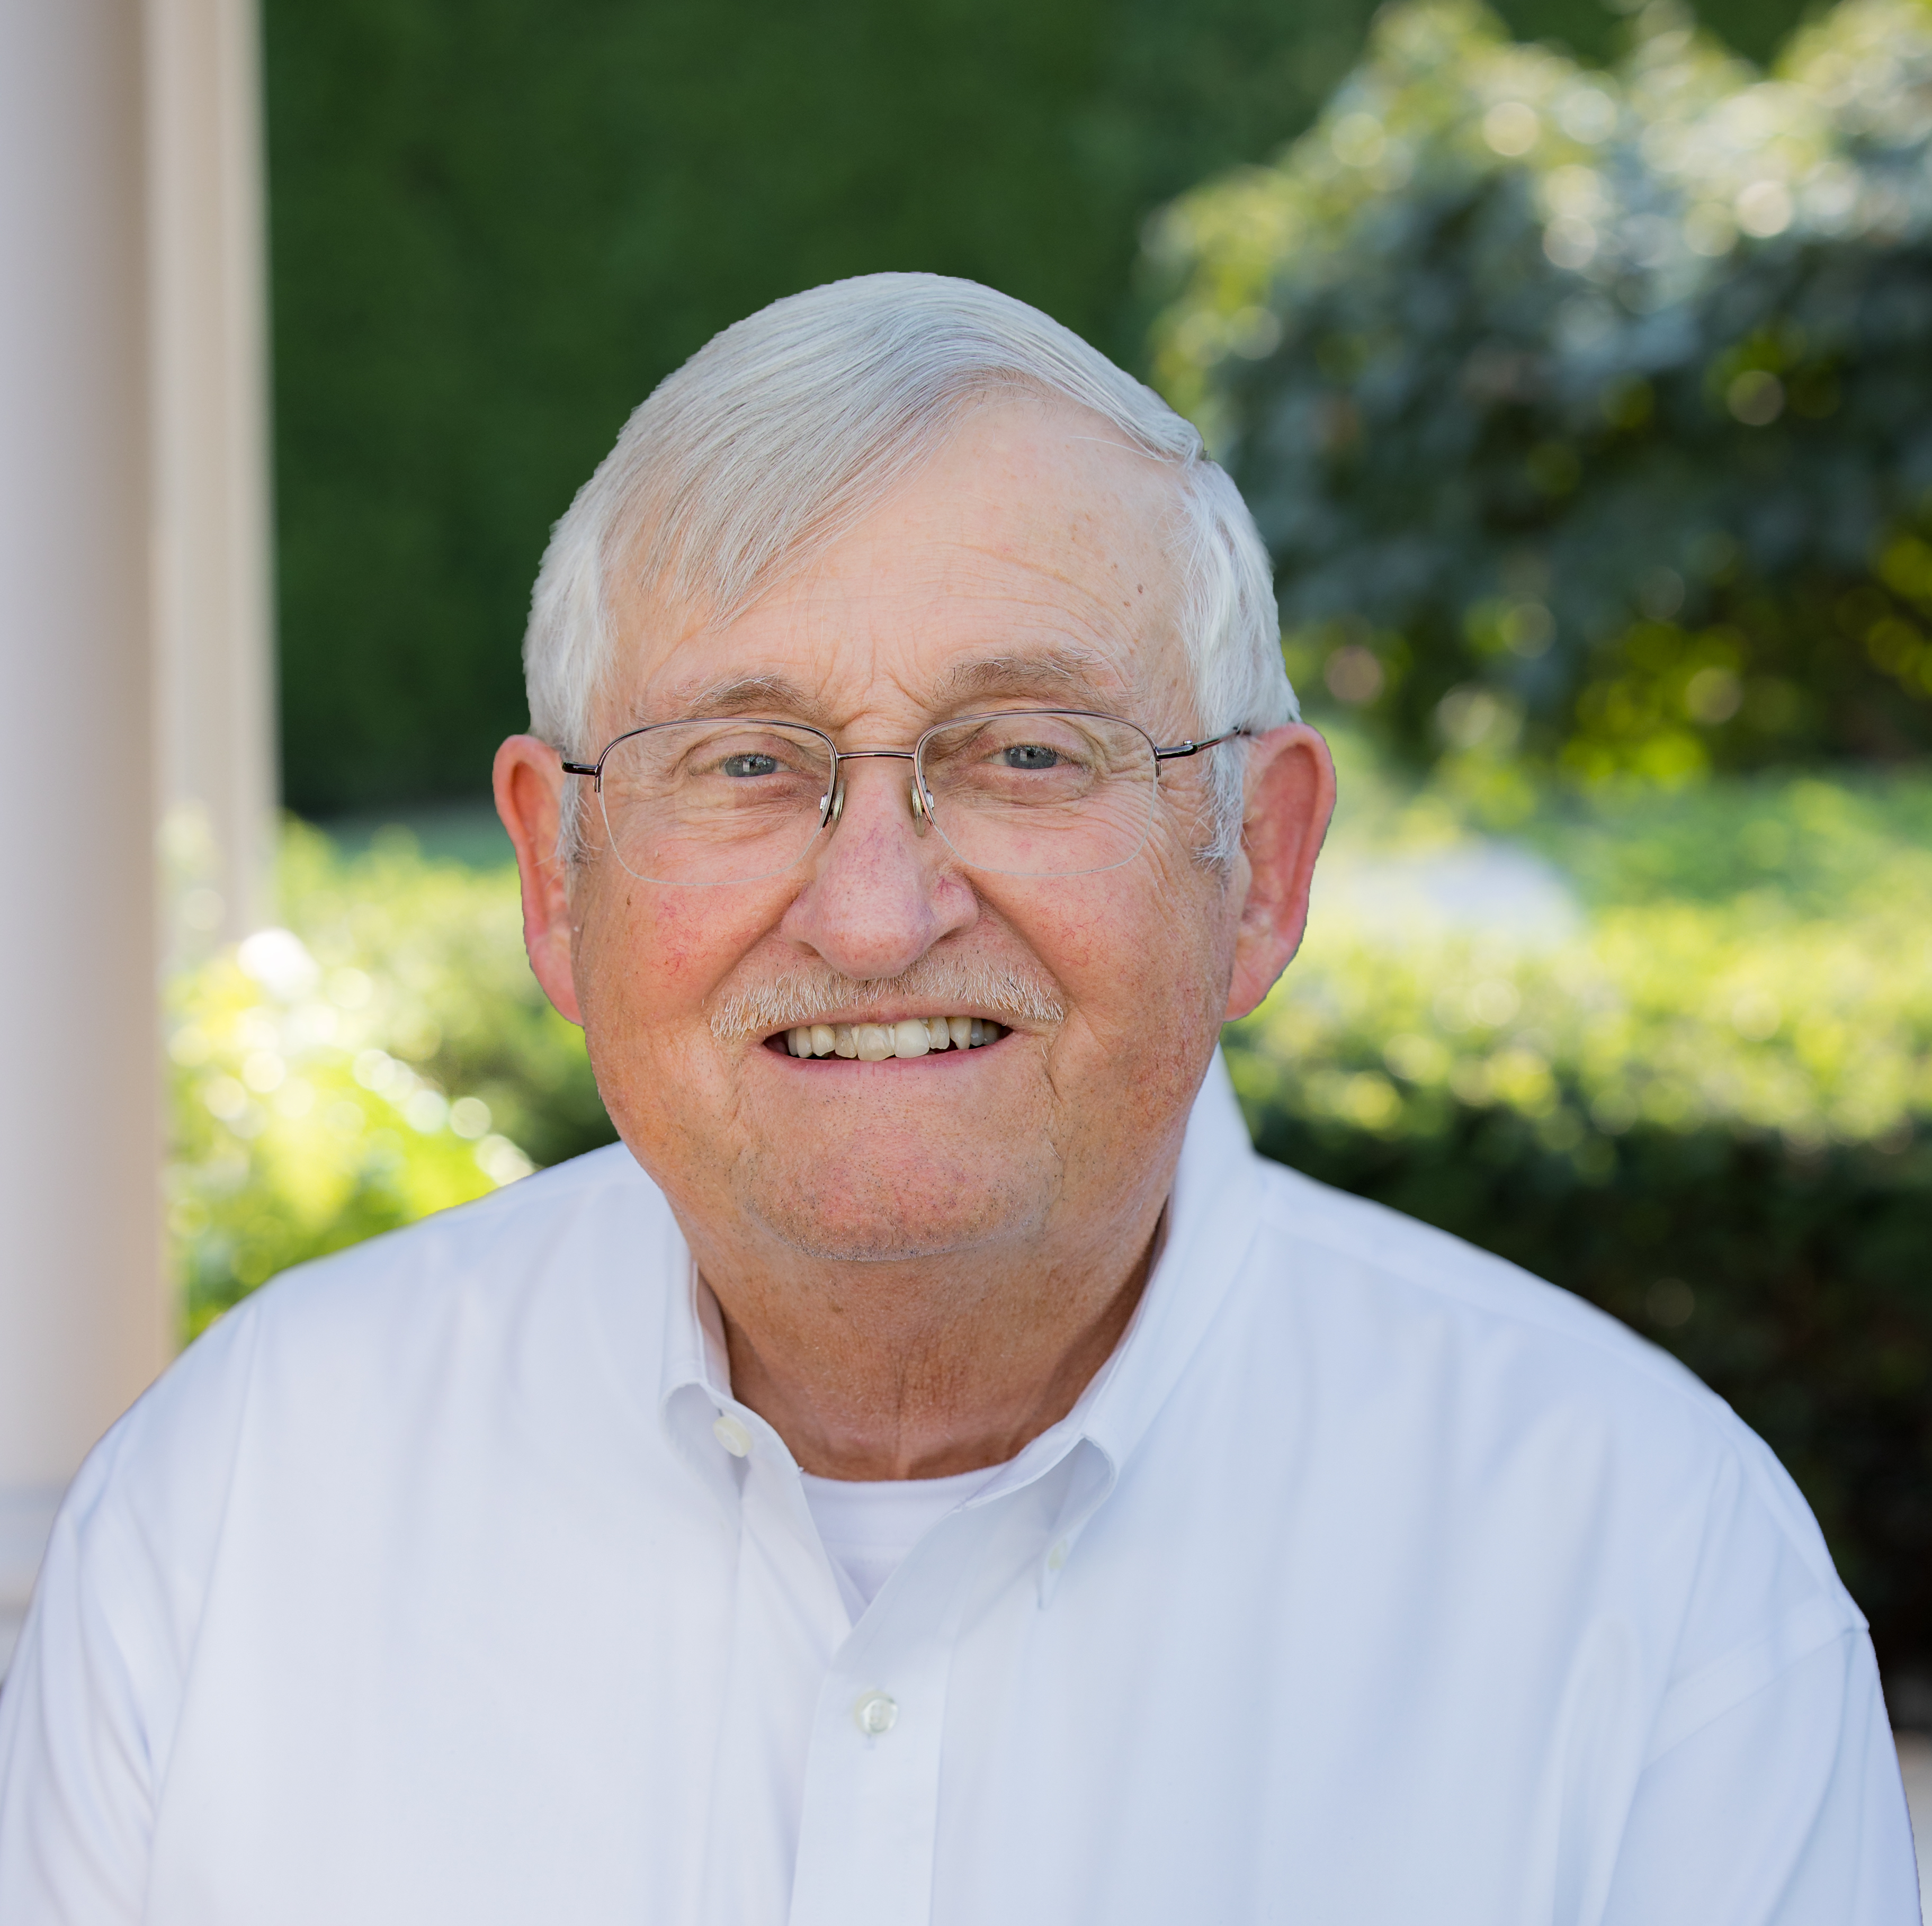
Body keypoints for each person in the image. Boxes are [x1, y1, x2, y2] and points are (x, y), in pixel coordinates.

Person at [0, 274, 1918, 1925]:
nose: (875, 906)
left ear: (1258, 860)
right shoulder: (232, 1509)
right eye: (745, 763)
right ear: (555, 878)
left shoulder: (1648, 1578)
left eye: (1022, 751)